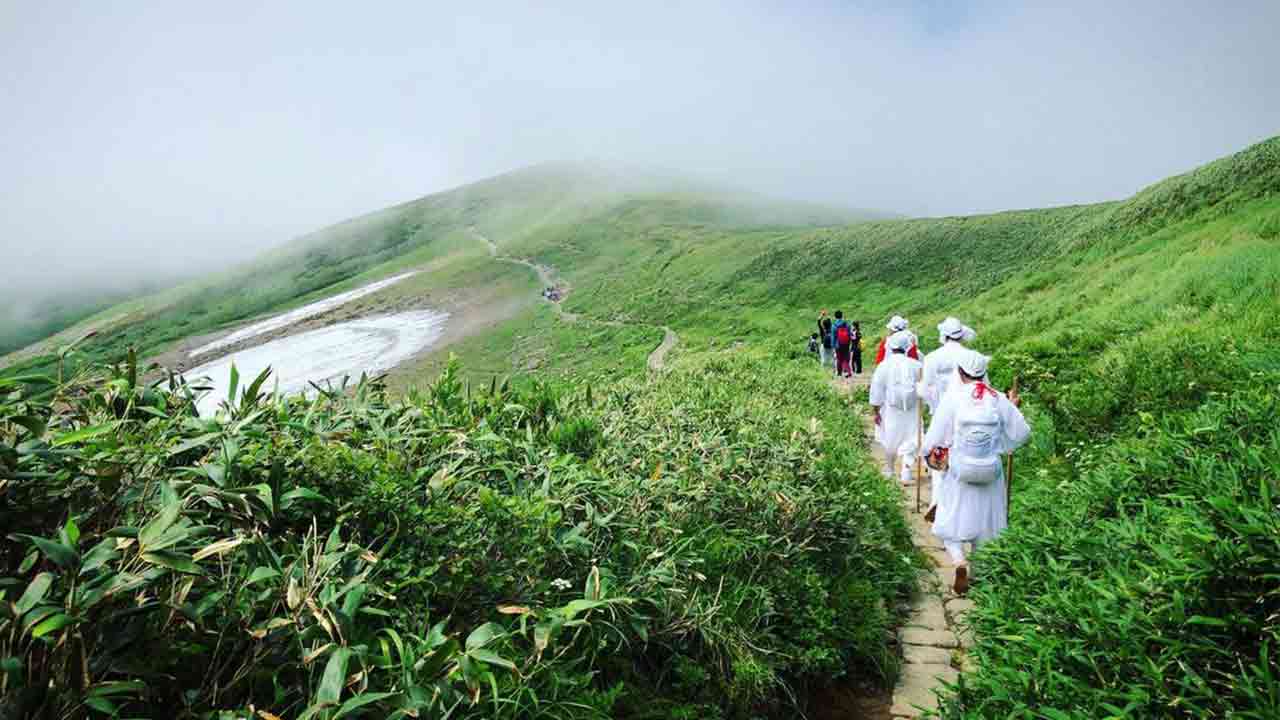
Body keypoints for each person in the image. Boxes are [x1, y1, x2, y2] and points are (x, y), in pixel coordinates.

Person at [921, 349, 1030, 595]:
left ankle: (959, 560)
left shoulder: (954, 397)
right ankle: (979, 575)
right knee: (986, 522)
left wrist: (929, 454)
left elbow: (934, 437)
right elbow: (1023, 433)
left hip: (961, 469)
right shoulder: (998, 398)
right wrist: (1002, 446)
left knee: (948, 516)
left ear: (960, 373)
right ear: (984, 372)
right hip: (990, 471)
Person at [919, 317, 977, 521]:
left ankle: (938, 499)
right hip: (968, 415)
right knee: (961, 455)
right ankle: (958, 503)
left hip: (942, 413)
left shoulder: (933, 357)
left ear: (943, 335)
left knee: (938, 454)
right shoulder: (971, 356)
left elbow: (926, 388)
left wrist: (931, 403)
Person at [869, 331, 923, 485]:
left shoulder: (884, 366)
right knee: (911, 437)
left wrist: (876, 410)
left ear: (890, 347)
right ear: (907, 347)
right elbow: (924, 387)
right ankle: (906, 470)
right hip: (912, 408)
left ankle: (890, 469)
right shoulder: (916, 365)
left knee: (890, 438)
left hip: (891, 408)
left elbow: (876, 390)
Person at [831, 311, 854, 378]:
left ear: (835, 316)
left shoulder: (834, 325)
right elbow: (850, 334)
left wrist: (833, 346)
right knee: (845, 358)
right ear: (842, 315)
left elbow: (833, 337)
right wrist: (849, 342)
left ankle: (839, 373)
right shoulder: (847, 324)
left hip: (838, 344)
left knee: (839, 358)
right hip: (846, 344)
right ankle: (848, 371)